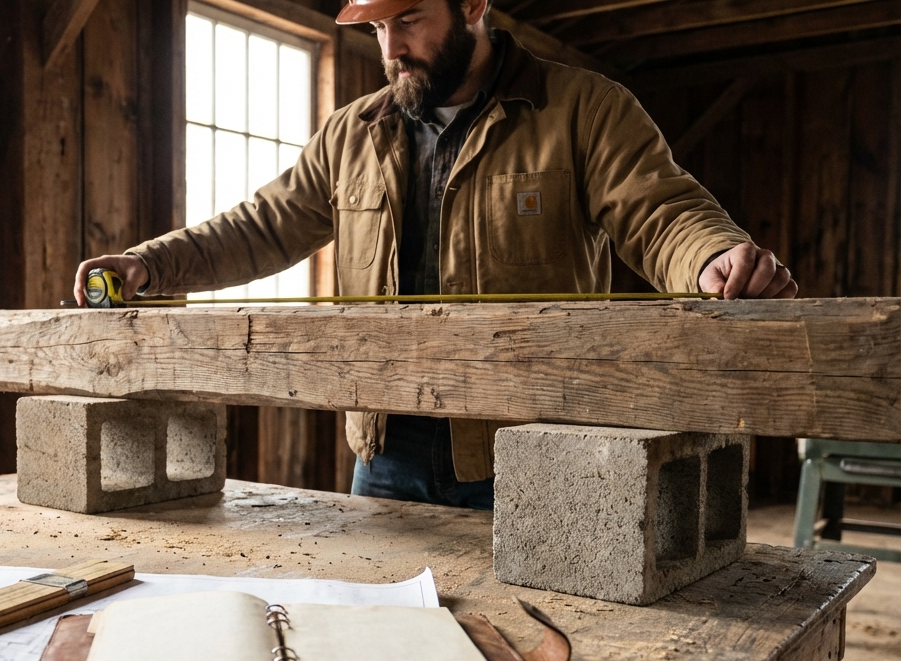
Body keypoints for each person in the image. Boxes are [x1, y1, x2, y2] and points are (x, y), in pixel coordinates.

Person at [72, 0, 797, 511]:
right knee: (389, 644)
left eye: (410, 19)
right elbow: (262, 225)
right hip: (384, 451)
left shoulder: (582, 107)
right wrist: (151, 264)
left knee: (535, 645)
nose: (389, 48)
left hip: (532, 448)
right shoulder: (352, 132)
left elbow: (659, 210)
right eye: (379, 26)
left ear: (474, 5)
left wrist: (714, 260)